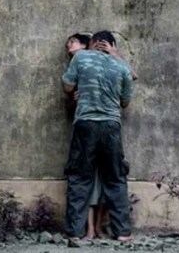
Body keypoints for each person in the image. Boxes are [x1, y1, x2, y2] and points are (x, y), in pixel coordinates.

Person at [61, 30, 135, 242]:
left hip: (85, 123)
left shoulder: (81, 57)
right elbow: (125, 102)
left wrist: (79, 89)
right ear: (112, 46)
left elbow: (67, 85)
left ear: (92, 43)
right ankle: (122, 233)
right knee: (116, 178)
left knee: (79, 177)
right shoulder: (122, 66)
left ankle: (75, 232)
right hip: (111, 125)